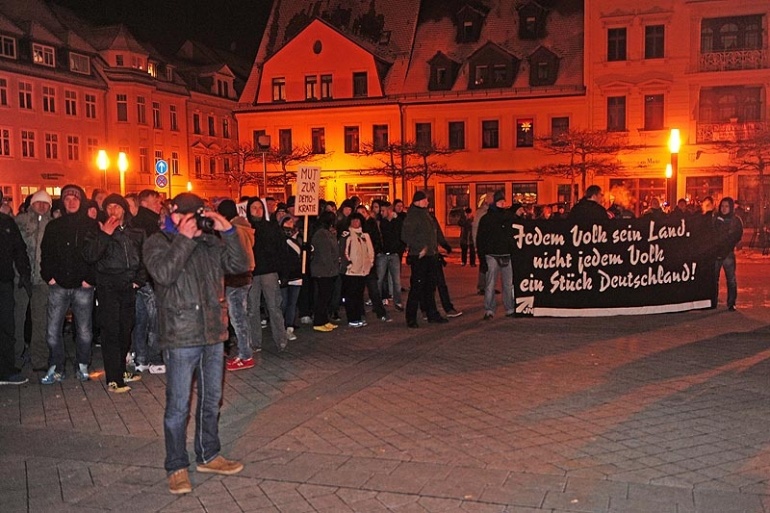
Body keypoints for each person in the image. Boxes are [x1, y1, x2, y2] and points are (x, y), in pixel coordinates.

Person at [143, 192, 249, 495]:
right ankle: (176, 466)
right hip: (181, 335)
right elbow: (163, 274)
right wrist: (184, 240)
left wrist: (226, 229)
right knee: (178, 406)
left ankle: (209, 454)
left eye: (199, 215)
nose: (195, 221)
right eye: (190, 215)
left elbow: (240, 265)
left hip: (213, 333)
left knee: (211, 399)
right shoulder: (158, 242)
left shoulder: (210, 243)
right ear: (173, 214)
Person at [82, 194, 146, 393]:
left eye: (117, 207)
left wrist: (138, 280)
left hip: (128, 285)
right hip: (108, 285)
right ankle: (114, 377)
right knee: (111, 331)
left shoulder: (136, 231)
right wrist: (105, 235)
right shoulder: (97, 230)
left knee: (126, 328)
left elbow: (145, 257)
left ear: (124, 210)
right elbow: (89, 255)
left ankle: (121, 368)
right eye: (109, 207)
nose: (113, 211)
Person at [39, 184, 97, 384]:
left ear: (81, 201)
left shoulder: (90, 225)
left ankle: (82, 365)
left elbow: (96, 254)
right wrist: (49, 276)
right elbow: (46, 254)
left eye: (75, 198)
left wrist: (90, 278)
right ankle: (56, 366)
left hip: (83, 286)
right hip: (59, 285)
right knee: (52, 332)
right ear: (62, 202)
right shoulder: (54, 226)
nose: (71, 202)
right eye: (67, 199)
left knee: (84, 332)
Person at [13, 190, 52, 371]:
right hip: (20, 279)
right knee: (17, 319)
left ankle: (39, 359)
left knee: (40, 321)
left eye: (46, 203)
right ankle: (14, 357)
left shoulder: (52, 224)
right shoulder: (20, 221)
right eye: (39, 202)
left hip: (42, 280)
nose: (42, 206)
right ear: (32, 204)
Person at [216, 199, 256, 371]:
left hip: (236, 278)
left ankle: (245, 355)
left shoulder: (233, 230)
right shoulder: (245, 227)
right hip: (245, 276)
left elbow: (230, 255)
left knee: (238, 318)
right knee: (241, 316)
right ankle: (244, 351)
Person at [246, 197, 288, 353]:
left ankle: (281, 340)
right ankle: (255, 342)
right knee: (252, 309)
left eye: (259, 208)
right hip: (251, 272)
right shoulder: (246, 228)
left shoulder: (271, 227)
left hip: (269, 271)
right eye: (254, 208)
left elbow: (281, 248)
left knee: (274, 307)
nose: (257, 211)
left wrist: (283, 272)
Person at [130, 189, 165, 373]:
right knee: (155, 318)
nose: (159, 205)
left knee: (140, 319)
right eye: (156, 202)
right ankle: (155, 358)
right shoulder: (151, 223)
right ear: (144, 203)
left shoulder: (135, 222)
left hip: (138, 278)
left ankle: (140, 358)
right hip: (150, 277)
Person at [400, 191, 447, 328]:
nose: (428, 202)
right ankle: (411, 317)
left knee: (430, 286)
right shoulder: (413, 216)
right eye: (426, 200)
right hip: (420, 257)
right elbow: (405, 235)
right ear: (419, 201)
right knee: (417, 287)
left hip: (431, 255)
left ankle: (432, 313)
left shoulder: (425, 214)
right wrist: (420, 247)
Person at [0, 188, 31, 385]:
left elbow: (19, 250)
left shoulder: (7, 223)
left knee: (6, 327)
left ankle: (6, 370)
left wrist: (24, 273)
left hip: (4, 281)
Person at [477, 191, 517, 320]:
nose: (502, 203)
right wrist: (482, 258)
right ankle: (489, 309)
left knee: (508, 284)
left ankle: (509, 308)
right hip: (492, 254)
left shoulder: (507, 216)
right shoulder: (487, 219)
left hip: (505, 253)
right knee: (490, 283)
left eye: (503, 201)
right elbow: (480, 239)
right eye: (500, 201)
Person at [340, 213, 375, 328]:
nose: (356, 223)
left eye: (358, 221)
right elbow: (343, 251)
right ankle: (352, 318)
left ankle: (358, 316)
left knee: (359, 295)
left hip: (363, 270)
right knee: (351, 295)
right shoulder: (347, 235)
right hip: (351, 271)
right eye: (353, 221)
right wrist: (348, 265)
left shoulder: (365, 235)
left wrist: (370, 263)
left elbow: (370, 251)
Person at [310, 212, 340, 332]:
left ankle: (324, 320)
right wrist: (332, 268)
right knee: (323, 297)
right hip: (323, 270)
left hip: (327, 270)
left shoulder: (326, 233)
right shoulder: (321, 234)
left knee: (326, 296)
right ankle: (319, 321)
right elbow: (324, 254)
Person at [713, 197, 743, 311]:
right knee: (714, 279)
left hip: (728, 253)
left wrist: (727, 244)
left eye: (726, 206)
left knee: (731, 279)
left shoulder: (735, 220)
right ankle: (713, 300)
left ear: (731, 207)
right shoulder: (716, 219)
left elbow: (737, 235)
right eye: (722, 206)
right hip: (716, 253)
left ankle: (731, 302)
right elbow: (712, 234)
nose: (724, 209)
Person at [279, 215, 303, 340]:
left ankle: (289, 327)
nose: (290, 223)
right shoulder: (279, 237)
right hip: (284, 275)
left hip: (295, 274)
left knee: (292, 303)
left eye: (291, 221)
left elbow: (299, 253)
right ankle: (280, 327)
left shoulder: (297, 236)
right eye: (287, 221)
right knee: (283, 303)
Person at [376, 201, 404, 311]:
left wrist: (398, 249)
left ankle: (398, 302)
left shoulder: (397, 222)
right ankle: (377, 302)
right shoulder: (380, 222)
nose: (381, 212)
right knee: (379, 279)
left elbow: (401, 236)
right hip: (382, 254)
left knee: (396, 280)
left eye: (383, 210)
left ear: (389, 210)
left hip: (394, 254)